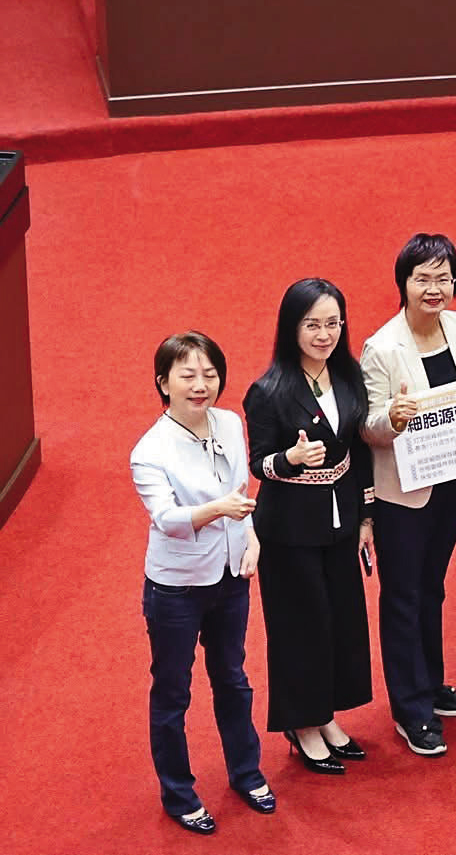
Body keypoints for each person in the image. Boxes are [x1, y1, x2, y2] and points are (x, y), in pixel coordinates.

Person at [132, 332, 273, 834]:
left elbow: (240, 488)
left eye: (209, 374)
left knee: (233, 679)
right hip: (176, 588)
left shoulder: (231, 423)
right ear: (162, 382)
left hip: (231, 576)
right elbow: (168, 518)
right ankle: (177, 792)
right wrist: (220, 511)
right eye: (187, 376)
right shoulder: (149, 451)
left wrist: (250, 537)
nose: (200, 385)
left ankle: (246, 771)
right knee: (173, 693)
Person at [244, 278, 375, 774]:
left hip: (341, 518)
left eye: (333, 324)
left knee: (341, 619)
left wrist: (366, 517)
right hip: (289, 528)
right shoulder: (269, 390)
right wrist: (291, 458)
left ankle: (328, 716)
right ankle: (303, 724)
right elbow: (259, 465)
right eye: (312, 325)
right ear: (291, 327)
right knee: (302, 626)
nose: (324, 335)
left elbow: (357, 450)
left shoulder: (348, 376)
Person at [359, 234, 456, 755]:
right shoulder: (382, 346)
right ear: (403, 283)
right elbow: (366, 425)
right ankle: (409, 708)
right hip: (401, 495)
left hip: (452, 481)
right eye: (422, 278)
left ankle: (431, 684)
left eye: (443, 277)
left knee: (434, 587)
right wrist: (394, 419)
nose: (435, 288)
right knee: (402, 597)